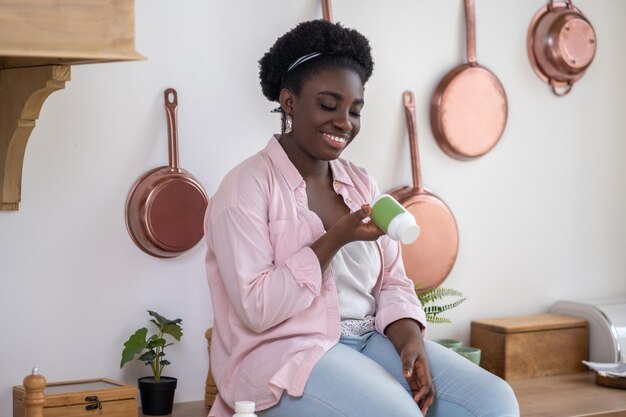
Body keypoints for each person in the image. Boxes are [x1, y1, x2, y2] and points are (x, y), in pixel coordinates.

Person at [204, 19, 519, 417]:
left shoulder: (361, 184)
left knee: (493, 401)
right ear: (288, 103)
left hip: (369, 340)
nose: (344, 122)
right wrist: (335, 238)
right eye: (328, 104)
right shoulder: (244, 189)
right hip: (284, 355)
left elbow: (392, 280)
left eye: (355, 110)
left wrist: (409, 342)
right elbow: (257, 308)